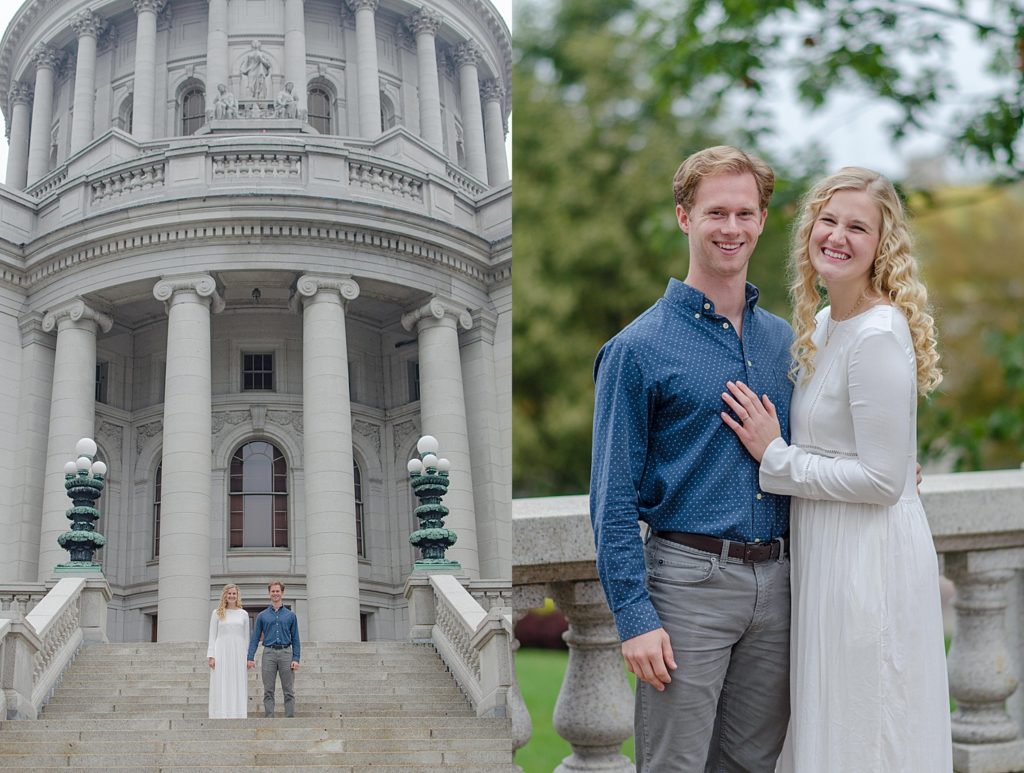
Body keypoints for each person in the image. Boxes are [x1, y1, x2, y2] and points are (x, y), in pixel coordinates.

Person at [720, 167, 951, 772]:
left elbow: (880, 481)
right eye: (828, 221)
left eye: (858, 227)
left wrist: (775, 455)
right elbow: (871, 454)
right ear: (809, 231)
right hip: (828, 553)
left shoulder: (877, 331)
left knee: (869, 729)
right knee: (832, 726)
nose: (838, 237)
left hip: (867, 563)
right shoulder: (824, 327)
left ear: (882, 246)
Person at [590, 145, 794, 772]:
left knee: (753, 766)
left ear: (761, 220)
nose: (730, 229)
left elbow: (817, 448)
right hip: (687, 587)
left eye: (744, 213)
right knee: (675, 765)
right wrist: (632, 615)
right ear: (684, 217)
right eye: (715, 213)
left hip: (781, 585)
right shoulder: (637, 349)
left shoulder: (784, 340)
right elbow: (610, 497)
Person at [247, 580, 301, 718]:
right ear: (269, 593)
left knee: (288, 690)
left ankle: (289, 718)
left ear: (282, 593)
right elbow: (255, 638)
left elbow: (295, 638)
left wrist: (296, 658)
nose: (275, 593)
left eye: (278, 591)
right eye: (273, 591)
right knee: (268, 690)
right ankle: (269, 717)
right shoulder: (262, 616)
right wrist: (250, 657)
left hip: (286, 653)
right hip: (269, 653)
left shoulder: (290, 615)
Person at [207, 583, 250, 719]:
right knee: (221, 681)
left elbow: (246, 637)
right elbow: (212, 635)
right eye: (229, 593)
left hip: (238, 652)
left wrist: (248, 657)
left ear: (237, 596)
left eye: (234, 594)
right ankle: (220, 712)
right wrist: (211, 655)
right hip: (221, 652)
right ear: (225, 595)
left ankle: (238, 712)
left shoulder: (243, 614)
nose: (231, 596)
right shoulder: (217, 613)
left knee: (237, 681)